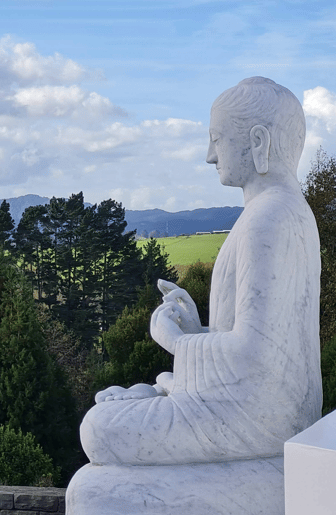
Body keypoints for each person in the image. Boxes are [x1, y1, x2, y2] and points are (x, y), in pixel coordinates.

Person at [80, 77, 322, 465]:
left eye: (217, 138)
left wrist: (175, 342)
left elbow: (254, 356)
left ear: (258, 142)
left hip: (259, 418)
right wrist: (198, 333)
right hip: (255, 403)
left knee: (98, 427)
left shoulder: (270, 217)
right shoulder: (276, 211)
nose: (210, 155)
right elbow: (257, 342)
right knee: (117, 409)